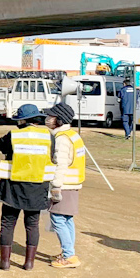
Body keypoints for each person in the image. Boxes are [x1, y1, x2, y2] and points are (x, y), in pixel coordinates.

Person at [0, 104, 55, 271]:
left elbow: (0, 145)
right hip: (38, 185)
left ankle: (5, 262)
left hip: (13, 186)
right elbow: (52, 155)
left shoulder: (14, 135)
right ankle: (29, 263)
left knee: (7, 222)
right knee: (32, 224)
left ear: (22, 120)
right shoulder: (48, 136)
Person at [45, 103, 84, 269]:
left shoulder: (62, 138)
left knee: (58, 219)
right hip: (73, 184)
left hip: (64, 185)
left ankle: (69, 256)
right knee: (67, 219)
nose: (47, 119)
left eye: (51, 116)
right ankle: (69, 252)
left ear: (59, 120)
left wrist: (55, 187)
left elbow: (60, 164)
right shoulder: (72, 135)